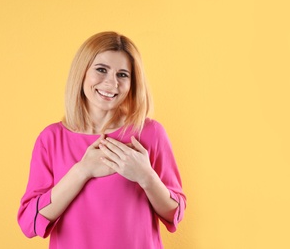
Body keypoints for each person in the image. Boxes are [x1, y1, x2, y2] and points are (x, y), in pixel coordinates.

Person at [17, 31, 186, 249]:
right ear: (82, 73)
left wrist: (146, 177)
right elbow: (29, 223)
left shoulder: (150, 134)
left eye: (123, 75)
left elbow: (175, 214)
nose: (111, 83)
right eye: (101, 70)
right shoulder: (51, 139)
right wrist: (82, 171)